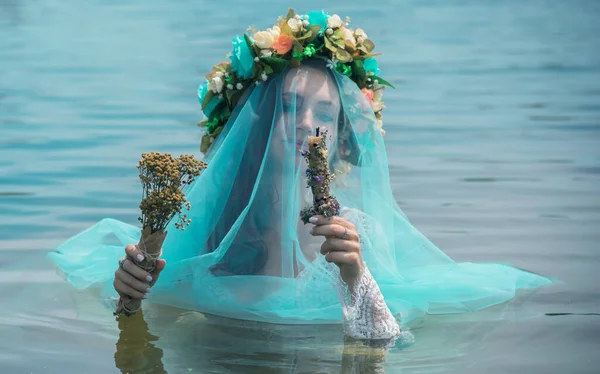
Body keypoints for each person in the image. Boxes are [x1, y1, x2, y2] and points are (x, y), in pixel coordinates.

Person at [50, 10, 552, 343]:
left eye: (324, 113)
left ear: (339, 133)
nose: (307, 123)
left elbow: (385, 344)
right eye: (288, 108)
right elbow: (147, 321)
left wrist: (357, 278)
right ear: (256, 126)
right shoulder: (204, 223)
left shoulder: (353, 231)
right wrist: (130, 295)